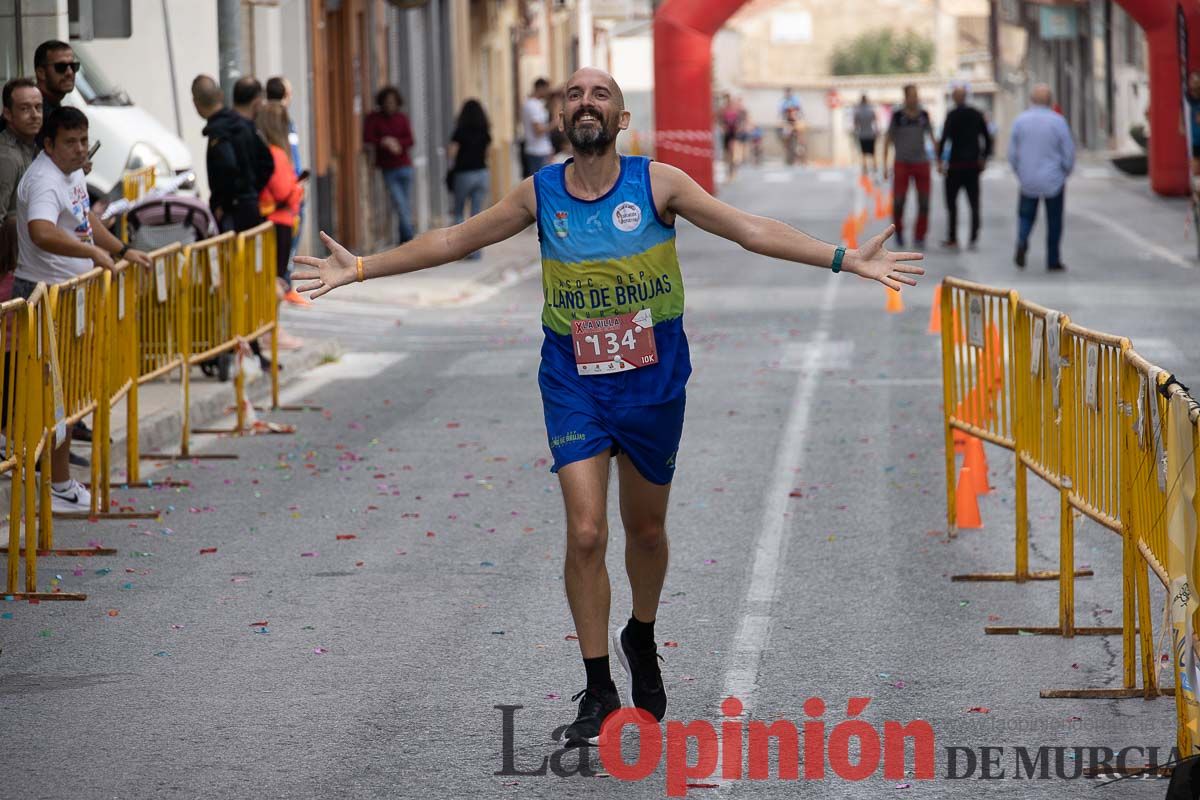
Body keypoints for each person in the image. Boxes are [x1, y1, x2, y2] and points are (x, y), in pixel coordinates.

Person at [292, 67, 924, 748]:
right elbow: (453, 240)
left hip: (653, 381)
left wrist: (842, 259)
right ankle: (598, 686)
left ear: (622, 118)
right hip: (575, 381)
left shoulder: (658, 185)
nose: (584, 102)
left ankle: (640, 634)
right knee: (587, 532)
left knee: (645, 532)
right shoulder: (539, 195)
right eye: (573, 94)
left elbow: (748, 229)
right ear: (561, 117)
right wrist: (359, 268)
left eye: (599, 95)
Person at [13, 107, 151, 511]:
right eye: (69, 143)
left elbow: (83, 218)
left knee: (69, 394)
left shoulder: (70, 173)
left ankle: (59, 483)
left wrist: (121, 249)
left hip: (69, 296)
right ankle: (55, 485)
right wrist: (91, 251)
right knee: (57, 396)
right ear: (49, 144)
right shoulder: (42, 180)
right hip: (46, 296)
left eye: (83, 141)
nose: (79, 150)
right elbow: (41, 231)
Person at [191, 74, 275, 372]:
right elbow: (268, 163)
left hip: (235, 213)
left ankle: (241, 347)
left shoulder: (219, 133)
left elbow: (226, 169)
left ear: (196, 104)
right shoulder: (243, 126)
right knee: (249, 281)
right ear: (221, 98)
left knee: (232, 282)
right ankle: (252, 346)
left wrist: (227, 201)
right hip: (251, 209)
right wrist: (252, 189)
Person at [1008, 83, 1074, 271]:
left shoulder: (1020, 121)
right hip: (1053, 178)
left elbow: (1012, 153)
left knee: (1025, 216)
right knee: (1054, 221)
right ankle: (1053, 259)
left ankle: (1022, 241)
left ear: (1031, 99)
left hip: (1028, 178)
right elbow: (1068, 151)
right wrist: (1065, 171)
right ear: (1050, 101)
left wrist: (1019, 172)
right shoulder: (1058, 121)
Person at [255, 102, 304, 350]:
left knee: (271, 278)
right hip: (278, 222)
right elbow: (284, 190)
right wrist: (297, 190)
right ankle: (270, 329)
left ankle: (270, 328)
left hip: (273, 221)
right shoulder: (275, 153)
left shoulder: (265, 152)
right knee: (274, 279)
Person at [266, 75, 309, 306]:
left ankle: (284, 285)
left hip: (290, 192)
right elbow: (291, 157)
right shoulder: (280, 121)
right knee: (286, 246)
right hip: (286, 199)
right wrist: (297, 185)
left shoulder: (275, 120)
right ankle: (283, 287)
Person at [937, 85, 993, 250]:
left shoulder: (952, 115)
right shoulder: (976, 114)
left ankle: (953, 237)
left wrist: (940, 160)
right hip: (972, 165)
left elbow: (944, 138)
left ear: (955, 98)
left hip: (956, 165)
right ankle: (973, 236)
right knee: (974, 202)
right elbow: (987, 138)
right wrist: (984, 157)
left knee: (952, 203)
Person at [883, 84, 938, 248]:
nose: (914, 98)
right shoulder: (897, 116)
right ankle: (898, 232)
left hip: (921, 163)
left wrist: (939, 159)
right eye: (911, 95)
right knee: (899, 201)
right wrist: (885, 165)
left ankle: (920, 235)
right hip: (902, 163)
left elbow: (933, 137)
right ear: (905, 97)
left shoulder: (924, 115)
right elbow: (887, 139)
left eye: (916, 95)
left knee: (924, 202)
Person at [0, 79, 41, 290]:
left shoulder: (30, 147)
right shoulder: (7, 156)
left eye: (38, 107)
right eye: (25, 108)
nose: (34, 115)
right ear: (7, 114)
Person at [363, 86, 416, 245]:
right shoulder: (375, 118)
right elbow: (368, 138)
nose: (390, 105)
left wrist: (398, 143)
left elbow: (411, 140)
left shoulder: (402, 118)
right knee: (400, 203)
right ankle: (409, 238)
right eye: (387, 102)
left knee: (404, 203)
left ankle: (404, 240)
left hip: (405, 166)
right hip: (388, 168)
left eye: (392, 102)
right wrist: (384, 142)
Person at [447, 99, 491, 261]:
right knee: (477, 215)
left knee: (458, 212)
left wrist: (451, 168)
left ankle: (459, 250)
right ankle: (476, 252)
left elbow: (452, 152)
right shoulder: (484, 132)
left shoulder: (460, 131)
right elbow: (486, 154)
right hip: (481, 173)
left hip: (464, 174)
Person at [32, 40, 78, 147]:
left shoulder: (51, 103)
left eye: (73, 66)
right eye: (61, 67)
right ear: (41, 73)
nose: (70, 72)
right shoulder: (33, 110)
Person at [521, 78, 554, 177]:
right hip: (537, 151)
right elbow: (538, 130)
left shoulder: (536, 104)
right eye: (547, 89)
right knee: (540, 185)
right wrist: (555, 123)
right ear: (540, 88)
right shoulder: (532, 105)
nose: (548, 92)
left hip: (540, 150)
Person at [852, 94, 878, 177]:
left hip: (862, 134)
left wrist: (856, 133)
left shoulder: (858, 111)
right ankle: (874, 166)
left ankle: (865, 167)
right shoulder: (871, 110)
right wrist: (876, 131)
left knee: (863, 152)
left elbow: (855, 124)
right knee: (872, 152)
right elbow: (875, 121)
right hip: (870, 133)